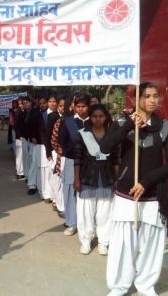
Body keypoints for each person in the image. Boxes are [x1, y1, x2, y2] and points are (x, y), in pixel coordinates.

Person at [101, 82, 168, 296]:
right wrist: (128, 125)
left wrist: (146, 181)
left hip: (152, 195)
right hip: (126, 195)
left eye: (156, 96)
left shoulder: (165, 127)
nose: (153, 100)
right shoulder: (122, 122)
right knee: (123, 244)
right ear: (137, 100)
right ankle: (119, 286)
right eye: (147, 96)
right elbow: (104, 148)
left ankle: (145, 284)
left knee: (151, 244)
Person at [74, 104, 120, 255]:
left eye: (101, 116)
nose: (98, 119)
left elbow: (115, 159)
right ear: (90, 117)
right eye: (94, 116)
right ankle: (86, 241)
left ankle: (103, 242)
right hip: (87, 177)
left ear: (105, 117)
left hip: (106, 177)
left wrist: (117, 178)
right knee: (86, 212)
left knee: (105, 213)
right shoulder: (83, 133)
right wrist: (76, 179)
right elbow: (78, 158)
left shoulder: (111, 134)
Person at [59, 94, 91, 236]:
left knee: (88, 193)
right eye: (78, 106)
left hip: (90, 162)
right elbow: (62, 141)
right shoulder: (68, 121)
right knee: (71, 192)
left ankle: (88, 224)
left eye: (84, 106)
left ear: (88, 107)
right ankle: (72, 223)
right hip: (71, 161)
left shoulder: (95, 120)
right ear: (74, 107)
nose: (81, 109)